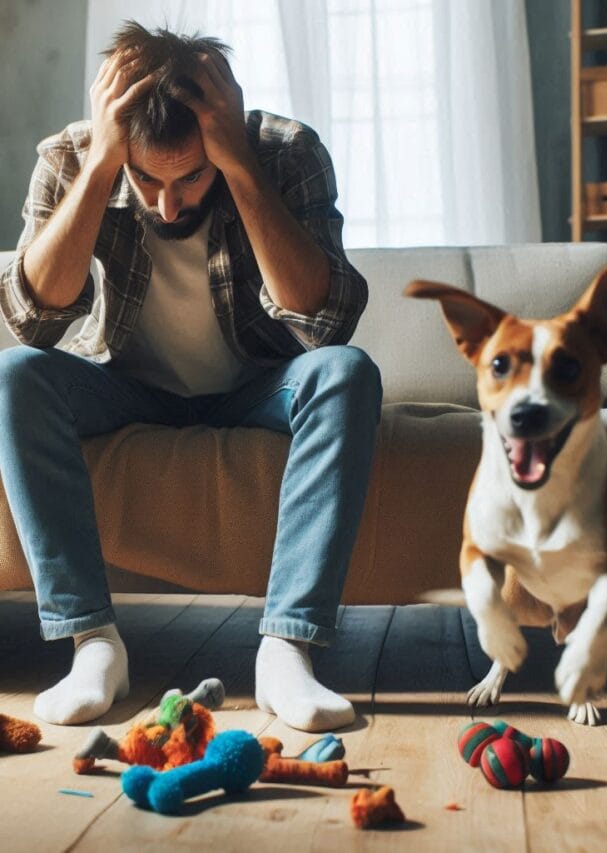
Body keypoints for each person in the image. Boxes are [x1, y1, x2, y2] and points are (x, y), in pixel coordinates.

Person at [0, 22, 381, 732]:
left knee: (346, 372)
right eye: (147, 179)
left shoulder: (285, 152)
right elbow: (32, 320)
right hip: (123, 388)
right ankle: (92, 645)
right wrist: (105, 166)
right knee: (14, 375)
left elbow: (325, 322)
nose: (168, 205)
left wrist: (238, 166)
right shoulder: (72, 157)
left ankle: (285, 651)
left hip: (256, 389)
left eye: (191, 177)